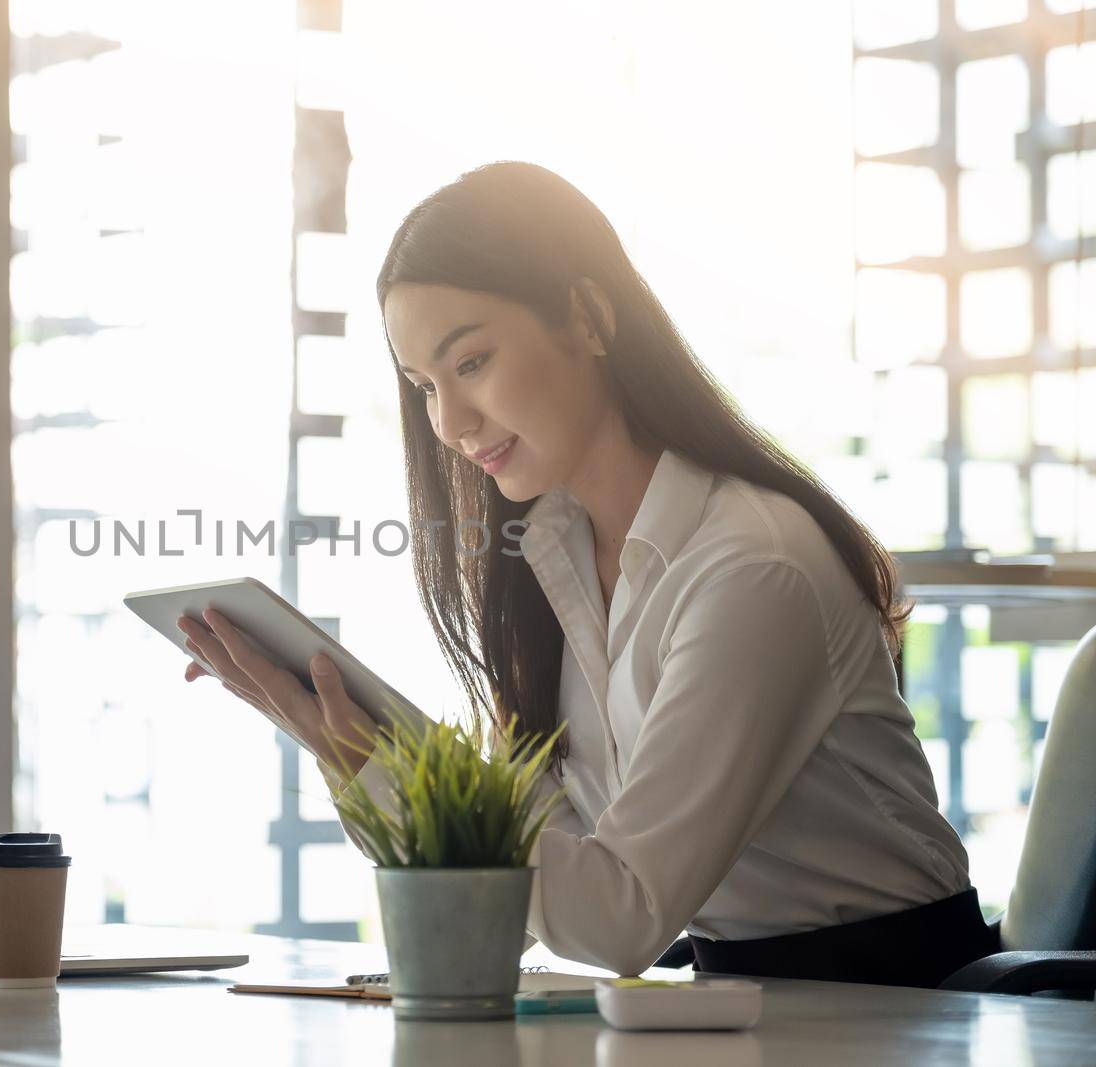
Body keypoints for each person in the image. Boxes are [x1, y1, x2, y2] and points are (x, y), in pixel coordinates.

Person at [175, 161, 994, 988]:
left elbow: (618, 914)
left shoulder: (752, 568)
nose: (451, 423)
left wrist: (389, 768)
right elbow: (547, 889)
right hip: (746, 1009)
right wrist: (351, 755)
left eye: (471, 362)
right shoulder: (547, 562)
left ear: (589, 317)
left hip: (903, 1009)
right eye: (424, 386)